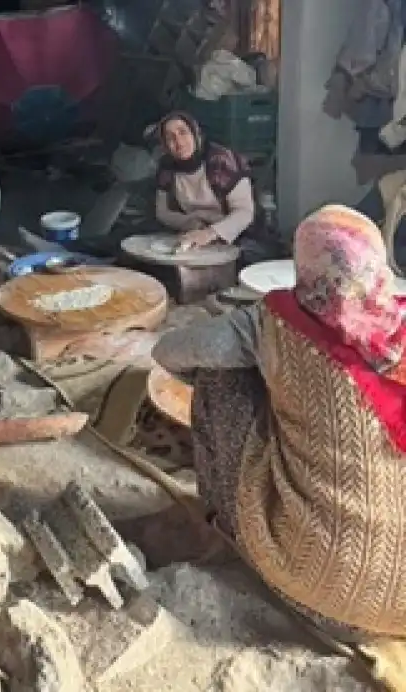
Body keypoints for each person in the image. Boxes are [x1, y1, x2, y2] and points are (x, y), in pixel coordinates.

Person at [151, 204, 406, 645]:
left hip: (321, 594)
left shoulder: (273, 322)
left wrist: (272, 376)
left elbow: (168, 353)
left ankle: (224, 517)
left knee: (220, 376)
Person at [154, 111, 279, 263]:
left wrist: (210, 233)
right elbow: (162, 212)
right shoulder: (167, 168)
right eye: (170, 137)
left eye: (183, 132)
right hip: (196, 234)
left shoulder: (221, 162)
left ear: (196, 134)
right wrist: (189, 222)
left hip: (241, 235)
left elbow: (244, 213)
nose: (178, 142)